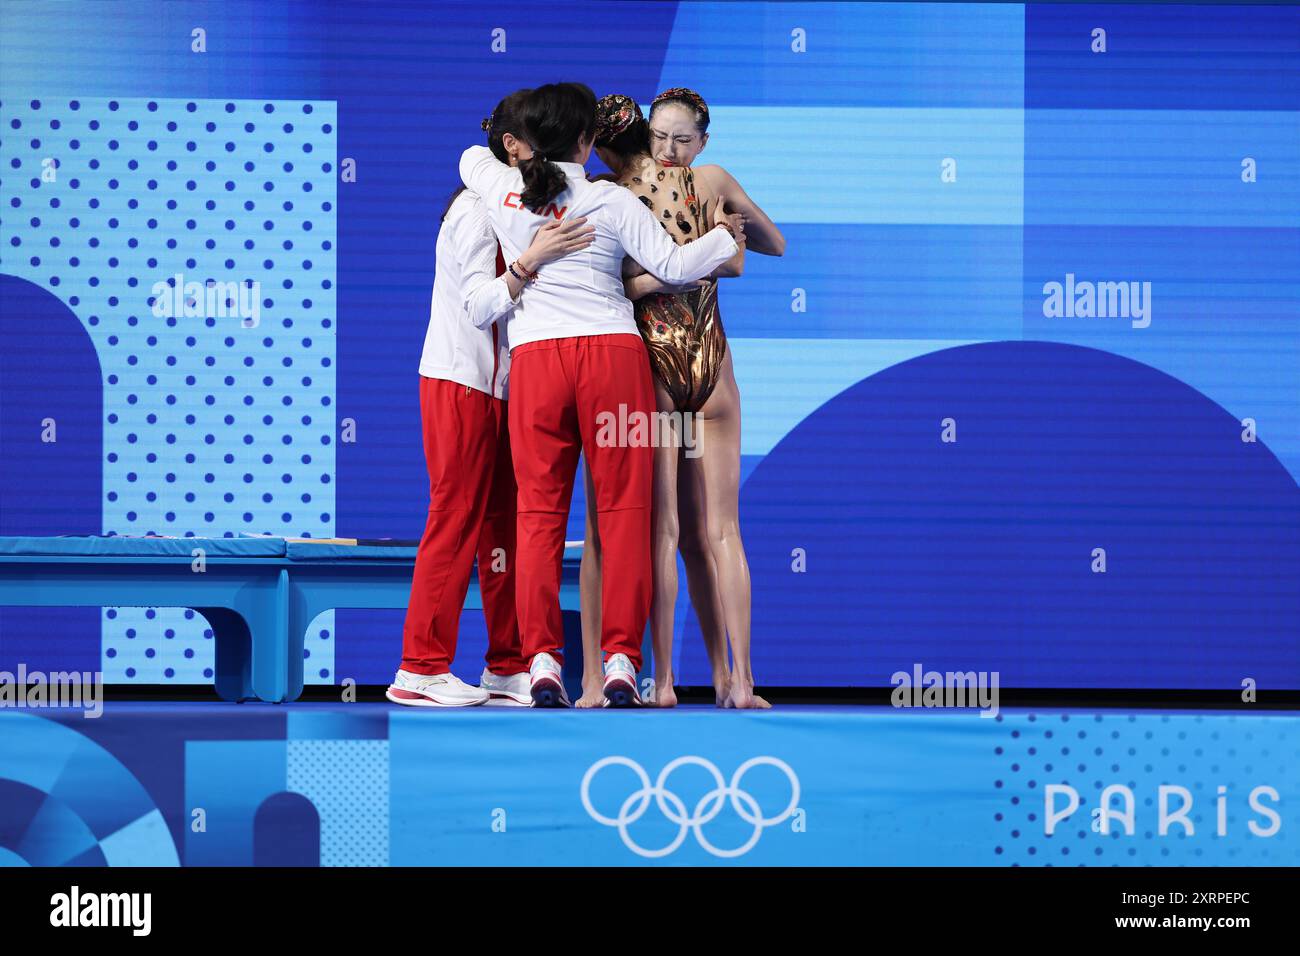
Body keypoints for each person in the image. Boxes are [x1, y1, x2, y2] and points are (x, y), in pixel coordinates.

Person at [459, 81, 744, 707]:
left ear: (525, 143)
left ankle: (542, 663)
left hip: (537, 363)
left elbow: (469, 159)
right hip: (612, 360)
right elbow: (673, 267)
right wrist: (725, 238)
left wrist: (516, 151)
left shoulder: (503, 191)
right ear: (590, 142)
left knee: (537, 517)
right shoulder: (610, 201)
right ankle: (619, 659)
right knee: (623, 514)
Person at [388, 90, 596, 707]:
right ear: (512, 146)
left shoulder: (514, 201)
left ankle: (507, 663)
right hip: (460, 381)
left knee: (503, 524)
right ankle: (419, 666)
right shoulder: (478, 212)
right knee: (455, 516)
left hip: (505, 386)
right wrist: (531, 263)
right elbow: (480, 304)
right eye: (541, 139)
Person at [578, 89, 785, 709]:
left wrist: (699, 254)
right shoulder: (697, 183)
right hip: (693, 365)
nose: (669, 152)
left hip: (673, 366)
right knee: (684, 531)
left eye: (681, 141)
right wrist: (719, 244)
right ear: (645, 137)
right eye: (660, 140)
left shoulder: (624, 193)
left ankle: (715, 681)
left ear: (702, 142)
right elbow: (748, 255)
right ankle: (700, 681)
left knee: (701, 530)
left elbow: (768, 245)